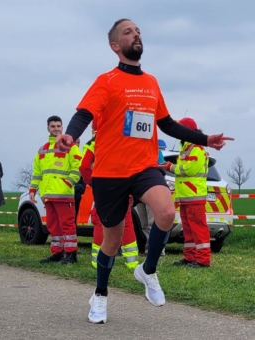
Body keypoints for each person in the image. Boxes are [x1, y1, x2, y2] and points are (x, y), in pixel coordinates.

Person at [55, 19, 234, 324]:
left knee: (165, 212)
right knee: (111, 241)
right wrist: (71, 134)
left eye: (137, 31)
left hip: (144, 167)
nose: (135, 34)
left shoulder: (151, 82)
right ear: (115, 46)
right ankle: (100, 295)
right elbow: (84, 112)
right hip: (110, 172)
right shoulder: (106, 80)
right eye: (128, 32)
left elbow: (167, 123)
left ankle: (147, 271)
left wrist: (205, 139)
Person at [79, 119, 139, 270]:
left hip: (104, 189)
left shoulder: (94, 143)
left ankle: (97, 260)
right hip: (124, 187)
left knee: (101, 222)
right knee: (127, 223)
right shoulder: (122, 141)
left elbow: (84, 166)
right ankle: (132, 262)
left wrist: (93, 183)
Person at [29, 116, 82, 265]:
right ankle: (57, 253)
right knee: (53, 225)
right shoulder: (42, 149)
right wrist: (33, 189)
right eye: (53, 126)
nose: (56, 129)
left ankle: (71, 254)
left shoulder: (71, 146)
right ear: (48, 128)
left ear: (62, 127)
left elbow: (78, 166)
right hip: (48, 195)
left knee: (67, 225)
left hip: (64, 194)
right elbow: (37, 172)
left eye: (59, 126)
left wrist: (68, 183)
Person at [160, 117, 211, 268]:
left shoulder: (196, 148)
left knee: (198, 228)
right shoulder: (187, 147)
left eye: (179, 128)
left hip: (193, 196)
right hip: (186, 196)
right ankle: (189, 257)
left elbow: (189, 169)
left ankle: (203, 260)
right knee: (188, 229)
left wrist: (170, 167)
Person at [137, 139, 166, 255]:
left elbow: (162, 168)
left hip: (152, 190)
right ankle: (148, 249)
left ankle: (158, 250)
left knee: (152, 222)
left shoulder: (156, 151)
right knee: (144, 224)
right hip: (139, 192)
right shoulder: (135, 152)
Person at [73, 138, 86, 224]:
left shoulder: (81, 157)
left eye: (79, 142)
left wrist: (81, 187)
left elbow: (84, 175)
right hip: (65, 192)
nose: (77, 144)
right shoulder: (65, 155)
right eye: (75, 142)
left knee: (73, 217)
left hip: (77, 192)